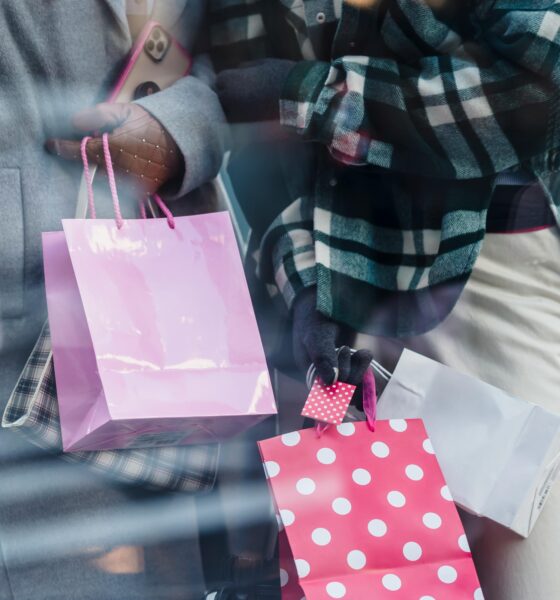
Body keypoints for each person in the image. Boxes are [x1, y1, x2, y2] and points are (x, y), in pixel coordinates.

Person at [210, 0, 560, 598]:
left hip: (492, 278)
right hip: (340, 296)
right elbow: (257, 140)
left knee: (531, 577)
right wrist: (307, 286)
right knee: (364, 579)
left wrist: (322, 98)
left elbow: (544, 85)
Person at [0, 2, 226, 599]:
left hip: (159, 278)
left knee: (163, 566)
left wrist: (178, 130)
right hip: (28, 295)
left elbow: (204, 50)